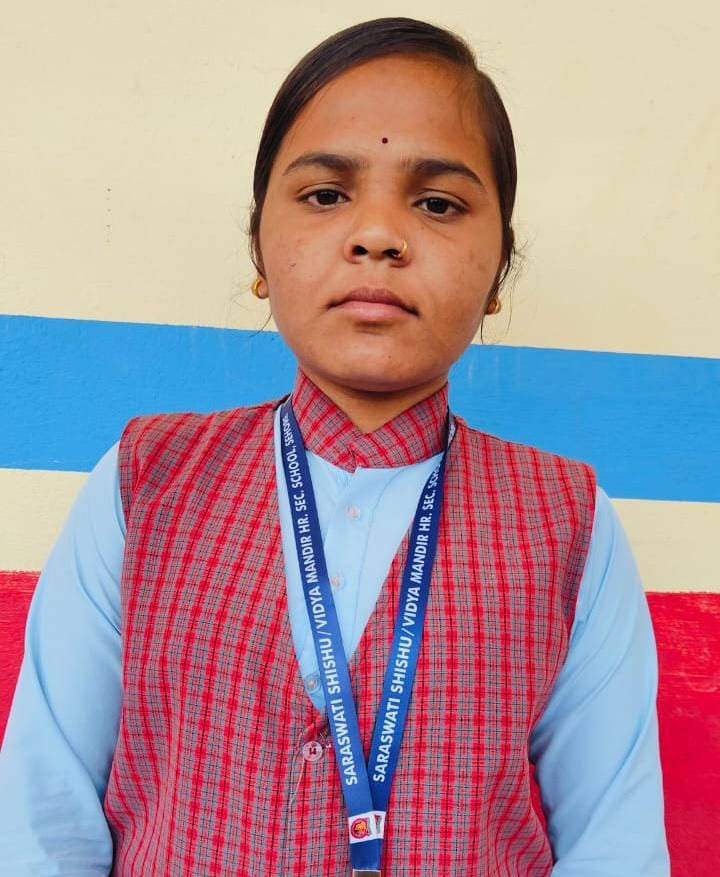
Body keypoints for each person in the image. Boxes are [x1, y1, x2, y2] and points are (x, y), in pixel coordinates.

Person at [0, 16, 670, 876]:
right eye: (325, 195)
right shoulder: (144, 484)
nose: (378, 235)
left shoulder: (570, 525)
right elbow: (41, 819)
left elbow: (615, 846)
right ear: (258, 245)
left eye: (438, 203)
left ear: (499, 268)